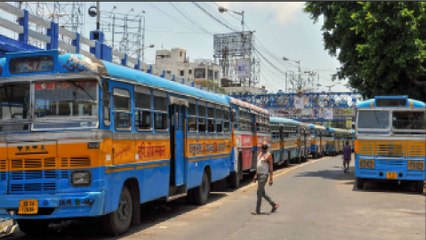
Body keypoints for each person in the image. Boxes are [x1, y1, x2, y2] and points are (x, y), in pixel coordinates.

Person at [252, 141, 279, 214]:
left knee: (259, 192)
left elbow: (271, 168)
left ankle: (257, 210)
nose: (264, 148)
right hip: (259, 175)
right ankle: (274, 205)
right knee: (262, 193)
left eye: (265, 146)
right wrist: (255, 175)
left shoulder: (269, 155)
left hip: (264, 175)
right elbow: (258, 165)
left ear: (267, 147)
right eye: (263, 146)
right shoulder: (260, 154)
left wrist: (271, 178)